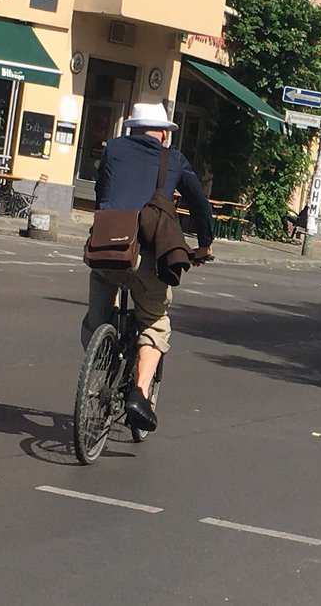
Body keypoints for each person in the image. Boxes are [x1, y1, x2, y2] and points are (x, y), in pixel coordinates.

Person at [81, 103, 214, 433]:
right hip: (147, 255)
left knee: (97, 316)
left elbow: (101, 194)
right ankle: (139, 395)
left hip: (106, 249)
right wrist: (205, 243)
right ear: (163, 133)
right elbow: (199, 204)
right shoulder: (173, 159)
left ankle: (102, 351)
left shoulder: (112, 149)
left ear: (132, 129)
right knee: (155, 322)